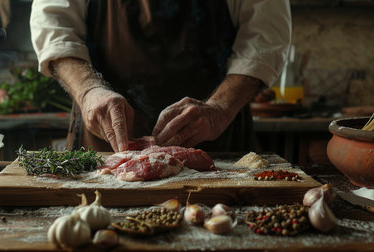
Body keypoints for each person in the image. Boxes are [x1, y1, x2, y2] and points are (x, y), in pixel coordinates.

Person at [30, 0, 291, 153]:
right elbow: (54, 25)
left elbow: (265, 37)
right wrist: (88, 91)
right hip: (102, 140)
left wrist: (220, 107)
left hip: (217, 140)